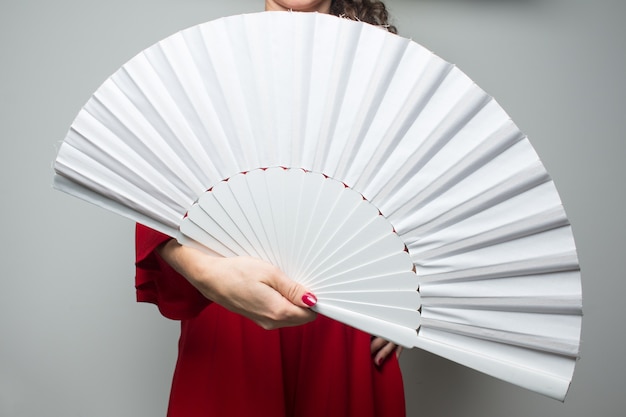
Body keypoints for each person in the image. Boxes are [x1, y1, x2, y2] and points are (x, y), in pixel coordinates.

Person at [135, 1, 405, 416]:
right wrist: (207, 273)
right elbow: (154, 194)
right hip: (232, 300)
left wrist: (411, 296)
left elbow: (420, 195)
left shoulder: (384, 68)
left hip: (347, 317)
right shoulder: (209, 65)